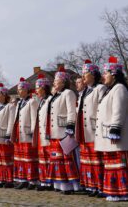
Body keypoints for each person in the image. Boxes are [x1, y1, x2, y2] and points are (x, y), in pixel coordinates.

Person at [95, 56, 128, 202]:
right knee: (111, 164)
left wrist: (116, 127)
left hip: (115, 134)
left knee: (118, 164)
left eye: (106, 73)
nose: (103, 76)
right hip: (107, 134)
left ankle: (122, 192)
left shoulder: (119, 88)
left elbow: (118, 110)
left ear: (113, 74)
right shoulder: (110, 90)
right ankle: (113, 191)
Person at [46, 66, 79, 195]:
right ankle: (59, 183)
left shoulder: (68, 93)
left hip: (64, 132)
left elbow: (71, 111)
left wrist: (70, 126)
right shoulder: (55, 96)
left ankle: (70, 185)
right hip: (54, 132)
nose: (54, 82)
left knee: (66, 159)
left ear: (63, 81)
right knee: (56, 160)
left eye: (56, 80)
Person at [76, 60, 106, 197]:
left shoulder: (100, 89)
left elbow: (102, 108)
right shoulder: (85, 92)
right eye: (82, 74)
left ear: (93, 75)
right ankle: (91, 186)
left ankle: (101, 186)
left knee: (97, 160)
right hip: (84, 129)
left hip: (94, 129)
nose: (83, 77)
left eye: (85, 74)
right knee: (87, 160)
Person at [10, 77, 39, 190]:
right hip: (19, 133)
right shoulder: (19, 103)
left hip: (27, 133)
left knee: (29, 159)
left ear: (27, 90)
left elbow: (33, 118)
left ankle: (32, 180)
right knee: (20, 158)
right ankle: (23, 179)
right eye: (18, 89)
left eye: (21, 89)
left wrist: (32, 132)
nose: (18, 91)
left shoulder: (32, 102)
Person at [33, 74, 53, 191]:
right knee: (42, 158)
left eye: (37, 88)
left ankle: (50, 181)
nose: (36, 91)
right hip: (41, 133)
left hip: (48, 133)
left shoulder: (50, 100)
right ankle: (43, 180)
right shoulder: (40, 101)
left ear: (44, 88)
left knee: (49, 158)